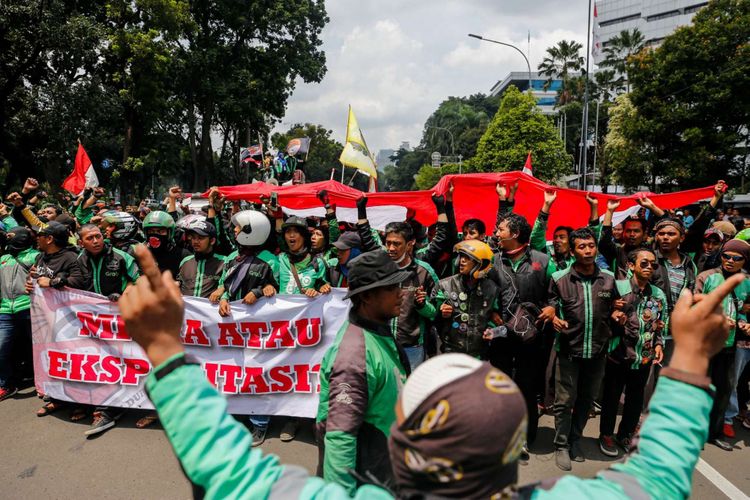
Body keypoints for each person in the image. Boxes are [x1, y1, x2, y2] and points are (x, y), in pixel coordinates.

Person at [119, 242, 745, 499]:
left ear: (408, 437)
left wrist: (165, 352)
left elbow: (221, 466)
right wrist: (692, 363)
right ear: (515, 446)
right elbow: (660, 475)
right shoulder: (355, 357)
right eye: (393, 285)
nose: (405, 289)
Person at [316, 250, 410, 494]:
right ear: (367, 296)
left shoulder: (378, 333)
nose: (401, 293)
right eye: (392, 288)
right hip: (365, 481)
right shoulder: (353, 357)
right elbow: (340, 437)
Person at [541, 227, 618, 470]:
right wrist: (553, 314)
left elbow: (616, 306)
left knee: (586, 399)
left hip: (597, 351)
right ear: (573, 251)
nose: (588, 250)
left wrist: (618, 312)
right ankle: (561, 444)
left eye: (591, 246)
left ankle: (575, 440)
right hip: (568, 350)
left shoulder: (609, 278)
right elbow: (551, 303)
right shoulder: (559, 278)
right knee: (564, 401)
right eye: (582, 247)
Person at [356, 197, 439, 371]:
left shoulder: (424, 272)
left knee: (409, 395)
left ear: (410, 244)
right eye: (388, 243)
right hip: (380, 344)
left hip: (412, 349)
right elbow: (366, 237)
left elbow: (436, 312)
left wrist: (422, 305)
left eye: (397, 244)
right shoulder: (379, 265)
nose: (391, 248)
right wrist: (361, 209)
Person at [599, 248, 667, 457]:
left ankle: (625, 434)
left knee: (635, 400)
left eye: (653, 265)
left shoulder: (658, 294)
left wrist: (658, 344)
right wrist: (612, 311)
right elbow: (600, 312)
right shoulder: (617, 287)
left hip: (643, 357)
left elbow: (661, 323)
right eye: (644, 263)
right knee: (611, 398)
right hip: (618, 354)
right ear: (631, 265)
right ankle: (606, 435)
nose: (649, 268)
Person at [218, 209, 279, 445]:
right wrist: (222, 296)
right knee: (233, 372)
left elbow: (276, 290)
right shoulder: (233, 258)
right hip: (233, 326)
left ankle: (260, 423)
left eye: (238, 227)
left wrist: (259, 291)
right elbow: (227, 285)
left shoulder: (270, 261)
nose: (234, 231)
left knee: (258, 373)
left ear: (250, 231)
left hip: (259, 329)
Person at [492, 211, 550, 448]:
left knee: (527, 386)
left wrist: (552, 309)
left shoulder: (543, 260)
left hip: (531, 336)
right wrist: (492, 312)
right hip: (500, 334)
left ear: (514, 234)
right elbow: (485, 291)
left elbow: (556, 293)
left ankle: (527, 436)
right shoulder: (492, 260)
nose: (496, 234)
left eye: (501, 230)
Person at [76, 224, 139, 435]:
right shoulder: (78, 260)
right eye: (89, 238)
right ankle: (97, 405)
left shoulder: (121, 257)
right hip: (89, 322)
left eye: (98, 236)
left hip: (118, 321)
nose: (95, 241)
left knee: (114, 362)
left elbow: (139, 281)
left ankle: (106, 411)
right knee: (93, 362)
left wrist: (124, 294)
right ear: (81, 242)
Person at [695, 238, 750, 450]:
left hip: (728, 346)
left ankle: (715, 433)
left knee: (723, 391)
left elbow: (744, 308)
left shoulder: (746, 281)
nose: (730, 260)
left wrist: (744, 323)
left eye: (736, 258)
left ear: (744, 261)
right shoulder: (707, 277)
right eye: (726, 255)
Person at [31, 221, 88, 419]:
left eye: (40, 235)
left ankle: (81, 403)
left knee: (74, 359)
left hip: (70, 321)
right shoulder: (40, 257)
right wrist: (31, 286)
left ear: (50, 239)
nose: (36, 238)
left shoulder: (71, 257)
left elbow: (80, 282)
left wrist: (54, 282)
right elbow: (37, 280)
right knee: (54, 360)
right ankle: (57, 397)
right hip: (48, 320)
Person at [432, 239, 501, 359]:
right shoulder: (444, 285)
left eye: (468, 258)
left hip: (479, 355)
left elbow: (496, 319)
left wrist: (492, 330)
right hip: (450, 353)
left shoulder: (492, 289)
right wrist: (440, 310)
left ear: (482, 264)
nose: (462, 261)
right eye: (461, 257)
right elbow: (431, 314)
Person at [0, 227, 39, 401]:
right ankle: (5, 384)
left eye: (10, 236)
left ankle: (44, 382)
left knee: (38, 347)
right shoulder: (3, 259)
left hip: (30, 308)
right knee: (1, 349)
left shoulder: (35, 257)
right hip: (5, 311)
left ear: (21, 238)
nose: (7, 239)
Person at [177, 217, 225, 300]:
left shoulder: (224, 262)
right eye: (193, 237)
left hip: (211, 312)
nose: (195, 241)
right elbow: (178, 283)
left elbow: (231, 285)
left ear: (212, 241)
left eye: (200, 238)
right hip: (186, 311)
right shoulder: (185, 261)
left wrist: (222, 289)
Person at [142, 210, 191, 277]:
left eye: (160, 231)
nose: (156, 235)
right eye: (151, 231)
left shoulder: (183, 255)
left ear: (170, 233)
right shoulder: (141, 255)